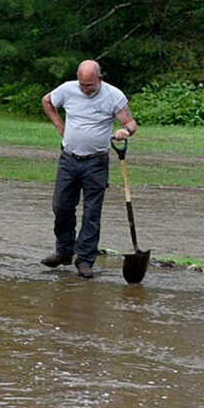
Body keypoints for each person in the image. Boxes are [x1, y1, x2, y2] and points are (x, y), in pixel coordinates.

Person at [40, 60, 137, 278]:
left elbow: (131, 123)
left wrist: (125, 132)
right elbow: (47, 101)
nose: (85, 90)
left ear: (99, 79)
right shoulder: (67, 89)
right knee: (61, 206)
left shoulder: (114, 96)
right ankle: (64, 251)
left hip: (96, 163)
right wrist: (60, 126)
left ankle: (85, 260)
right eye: (82, 85)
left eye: (90, 86)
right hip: (68, 160)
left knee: (92, 213)